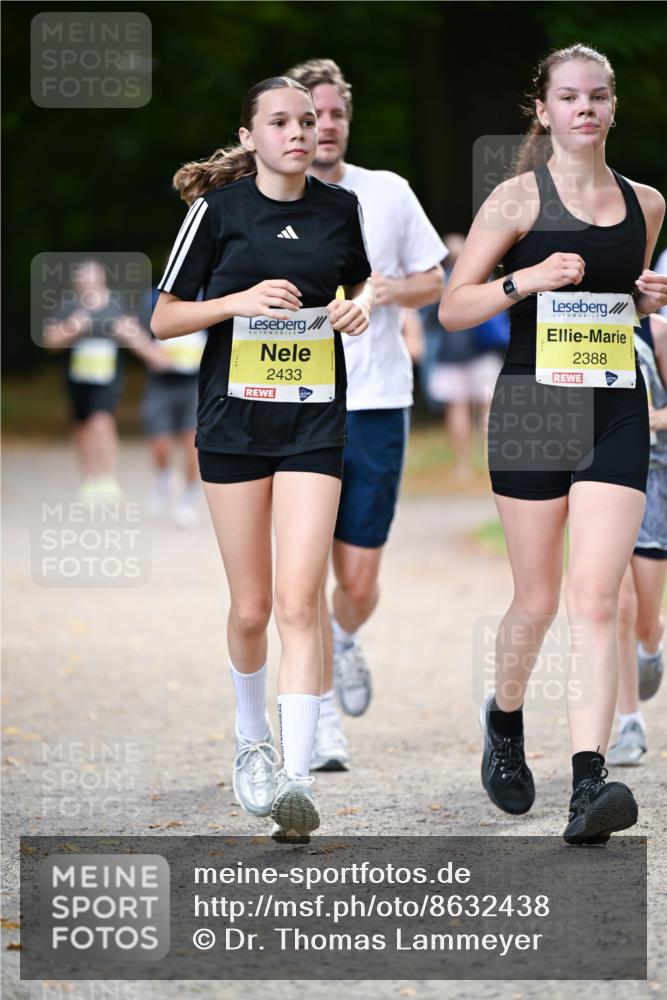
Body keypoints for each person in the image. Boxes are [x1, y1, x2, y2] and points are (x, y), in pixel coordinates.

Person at [439, 44, 667, 844]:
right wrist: (523, 281)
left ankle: (587, 783)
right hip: (532, 408)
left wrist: (643, 301)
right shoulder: (514, 198)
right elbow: (454, 309)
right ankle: (503, 722)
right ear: (542, 109)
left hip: (612, 407)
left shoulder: (646, 203)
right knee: (535, 600)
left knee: (596, 598)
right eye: (568, 97)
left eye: (597, 97)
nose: (584, 109)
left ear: (611, 107)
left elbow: (620, 307)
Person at [151, 76, 373, 840]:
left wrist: (360, 304)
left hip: (314, 424)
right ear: (249, 136)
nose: (299, 131)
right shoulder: (217, 211)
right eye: (279, 121)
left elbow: (365, 277)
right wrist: (234, 302)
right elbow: (163, 317)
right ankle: (252, 738)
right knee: (250, 608)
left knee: (299, 600)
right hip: (232, 427)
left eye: (307, 120)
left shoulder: (340, 208)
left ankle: (297, 781)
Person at [285, 58, 446, 770]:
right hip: (292, 406)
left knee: (355, 580)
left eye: (334, 114)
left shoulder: (386, 193)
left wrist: (387, 292)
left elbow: (435, 280)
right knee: (302, 571)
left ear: (346, 120)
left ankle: (344, 639)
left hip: (376, 399)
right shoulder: (258, 198)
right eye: (307, 115)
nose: (323, 126)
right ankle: (317, 719)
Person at [43, 259, 167, 501]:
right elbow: (50, 342)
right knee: (81, 428)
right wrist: (72, 327)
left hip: (107, 378)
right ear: (76, 283)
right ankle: (89, 479)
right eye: (81, 279)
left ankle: (107, 478)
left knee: (102, 422)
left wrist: (154, 355)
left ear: (101, 279)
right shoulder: (69, 306)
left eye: (91, 278)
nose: (86, 283)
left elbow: (134, 336)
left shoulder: (115, 305)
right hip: (76, 377)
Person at [609, 311, 667, 765]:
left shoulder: (656, 331)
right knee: (616, 602)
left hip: (653, 479)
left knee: (645, 616)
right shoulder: (563, 324)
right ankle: (629, 722)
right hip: (597, 473)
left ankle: (651, 646)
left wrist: (648, 419)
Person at [423, 233, 508, 479]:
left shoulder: (440, 283)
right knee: (489, 408)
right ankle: (492, 462)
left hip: (451, 355)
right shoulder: (484, 278)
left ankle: (463, 465)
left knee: (458, 407)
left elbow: (430, 320)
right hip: (484, 353)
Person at [138, 283, 206, 527]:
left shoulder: (209, 294)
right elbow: (136, 332)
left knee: (192, 443)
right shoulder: (153, 298)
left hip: (194, 383)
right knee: (160, 443)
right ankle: (163, 478)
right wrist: (150, 354)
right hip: (161, 382)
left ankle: (188, 499)